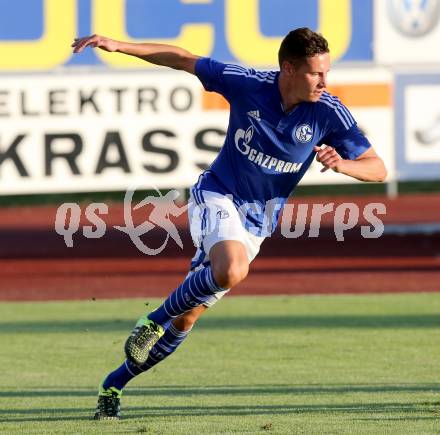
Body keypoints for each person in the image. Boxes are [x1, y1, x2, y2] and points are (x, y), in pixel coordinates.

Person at [72, 27, 387, 420]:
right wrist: (119, 47)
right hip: (217, 194)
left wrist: (345, 165)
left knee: (187, 316)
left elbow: (378, 168)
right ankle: (152, 321)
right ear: (288, 69)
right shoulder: (248, 84)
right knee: (232, 269)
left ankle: (113, 384)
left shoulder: (328, 111)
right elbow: (182, 58)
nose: (325, 81)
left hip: (256, 223)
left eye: (327, 72)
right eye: (315, 73)